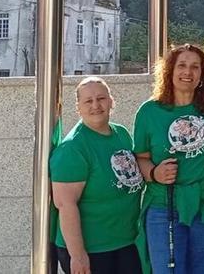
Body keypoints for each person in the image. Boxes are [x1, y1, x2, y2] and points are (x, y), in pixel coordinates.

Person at [133, 44, 204, 274]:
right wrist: (154, 173)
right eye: (182, 65)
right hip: (164, 207)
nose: (188, 72)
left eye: (195, 67)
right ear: (169, 71)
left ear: (203, 74)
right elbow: (141, 158)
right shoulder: (149, 112)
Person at [51, 77, 143, 274]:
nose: (96, 105)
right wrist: (78, 255)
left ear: (111, 101)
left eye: (101, 98)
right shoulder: (73, 148)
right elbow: (65, 205)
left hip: (125, 243)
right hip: (91, 251)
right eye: (88, 101)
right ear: (78, 107)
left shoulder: (122, 134)